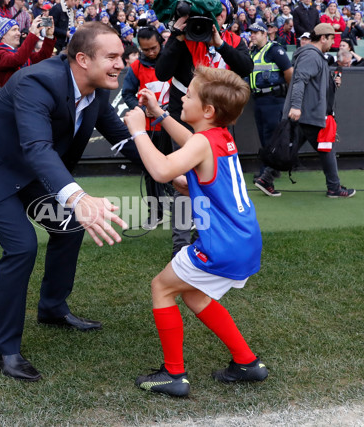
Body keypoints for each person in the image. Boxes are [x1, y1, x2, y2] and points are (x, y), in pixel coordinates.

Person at [0, 22, 143, 381]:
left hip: (26, 163)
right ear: (82, 59)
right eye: (112, 57)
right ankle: (3, 348)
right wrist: (78, 196)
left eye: (121, 56)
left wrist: (172, 172)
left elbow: (123, 140)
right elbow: (37, 147)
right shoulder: (39, 80)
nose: (121, 63)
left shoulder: (96, 92)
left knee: (71, 225)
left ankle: (52, 308)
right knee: (21, 246)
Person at [124, 67, 267, 398]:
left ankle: (174, 374)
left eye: (188, 96)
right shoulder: (220, 135)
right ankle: (247, 362)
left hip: (221, 245)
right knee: (192, 292)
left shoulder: (203, 142)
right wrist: (159, 115)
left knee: (161, 287)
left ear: (207, 111)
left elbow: (161, 171)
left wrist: (138, 131)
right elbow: (192, 147)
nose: (182, 99)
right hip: (243, 241)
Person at [155, 0, 253, 257]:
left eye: (219, 14)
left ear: (227, 17)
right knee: (184, 178)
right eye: (210, 14)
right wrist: (176, 36)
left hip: (219, 123)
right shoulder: (184, 40)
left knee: (214, 178)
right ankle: (181, 244)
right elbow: (162, 72)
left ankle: (208, 235)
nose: (214, 20)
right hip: (184, 117)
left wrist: (219, 44)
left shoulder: (232, 40)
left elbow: (246, 68)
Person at [255, 23, 355, 199]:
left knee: (291, 150)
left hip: (306, 113)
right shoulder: (311, 55)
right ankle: (334, 188)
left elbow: (313, 83)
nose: (333, 43)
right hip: (308, 113)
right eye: (331, 38)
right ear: (323, 38)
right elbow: (300, 81)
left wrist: (332, 83)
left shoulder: (314, 55)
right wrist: (295, 106)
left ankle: (266, 178)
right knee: (326, 148)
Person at [121, 25, 172, 229]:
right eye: (146, 49)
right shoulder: (136, 68)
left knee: (180, 170)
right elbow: (127, 94)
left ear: (160, 43)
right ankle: (156, 214)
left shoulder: (172, 61)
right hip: (150, 129)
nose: (151, 52)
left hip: (172, 126)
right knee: (151, 172)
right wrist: (141, 109)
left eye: (154, 48)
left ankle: (185, 213)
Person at [247, 22, 293, 196]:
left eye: (256, 32)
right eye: (251, 32)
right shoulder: (254, 52)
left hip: (273, 99)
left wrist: (287, 96)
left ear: (264, 33)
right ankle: (268, 170)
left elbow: (289, 72)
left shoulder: (274, 50)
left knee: (272, 137)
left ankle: (267, 173)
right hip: (259, 99)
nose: (252, 35)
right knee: (265, 137)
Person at [0, 14, 55, 86]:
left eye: (18, 29)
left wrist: (49, 36)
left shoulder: (19, 51)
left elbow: (43, 57)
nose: (19, 33)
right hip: (13, 96)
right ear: (3, 35)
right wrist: (32, 34)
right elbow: (17, 60)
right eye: (14, 30)